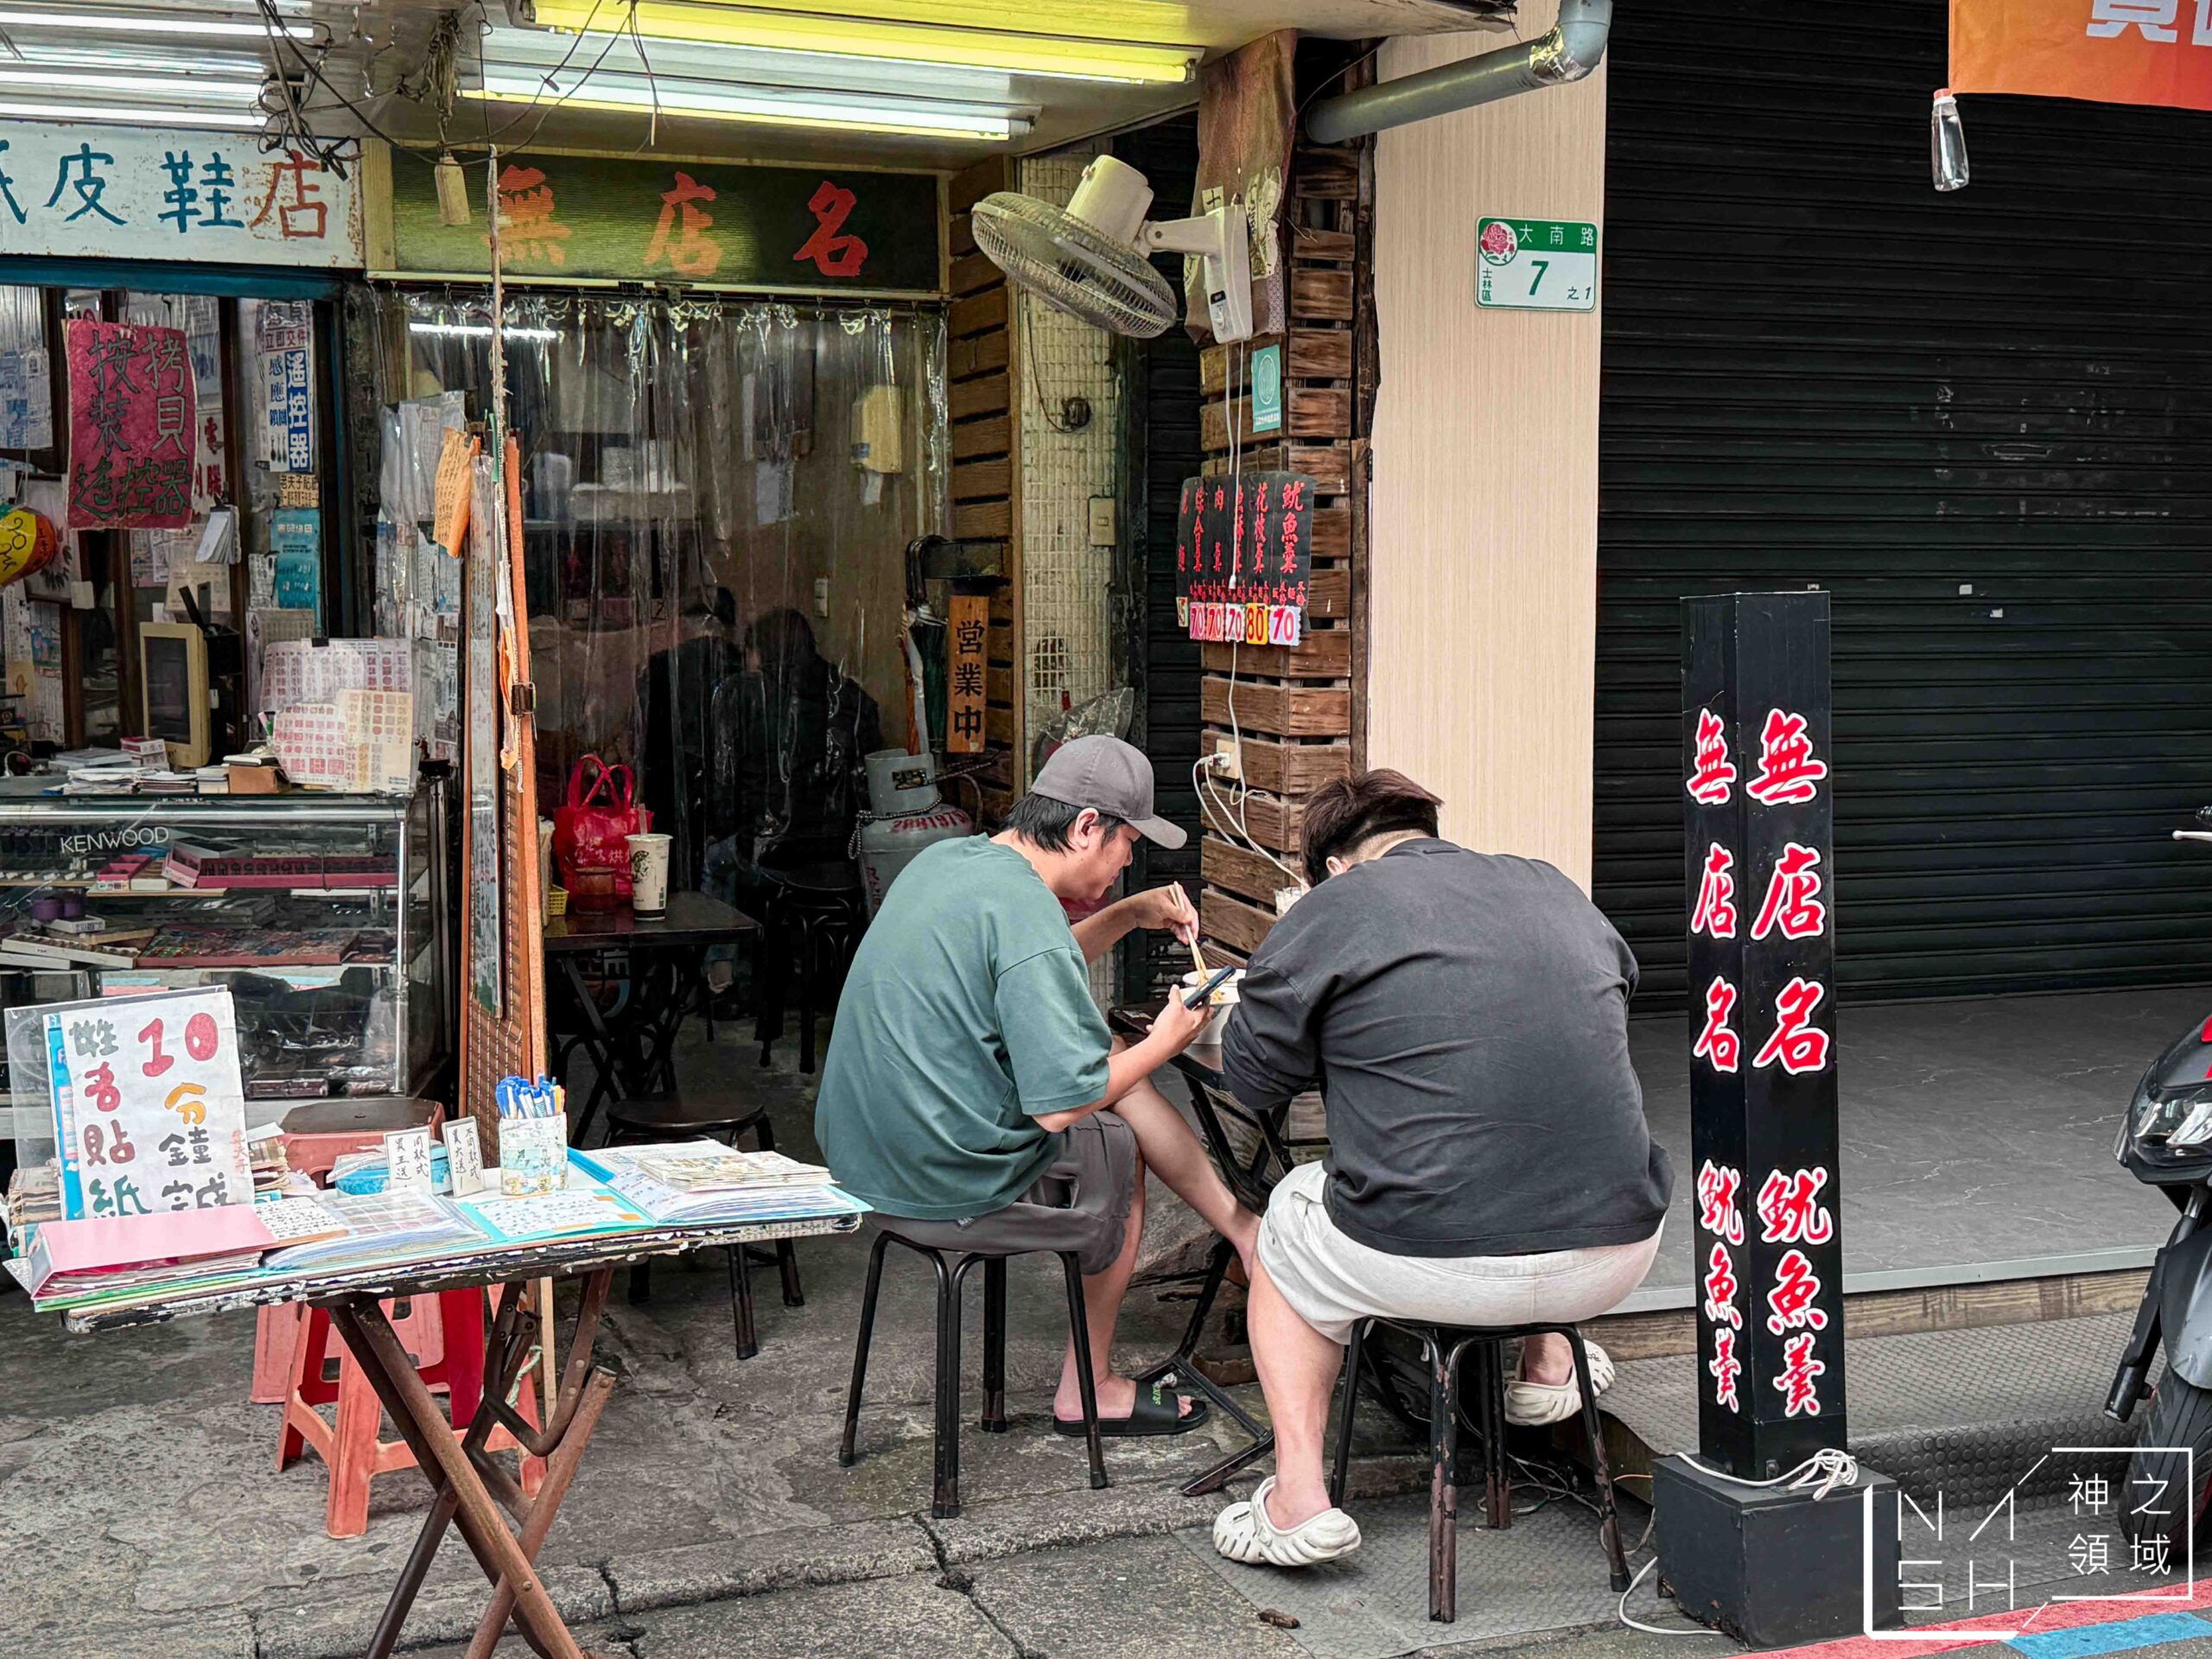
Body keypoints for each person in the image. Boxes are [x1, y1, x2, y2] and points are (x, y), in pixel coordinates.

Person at [1209, 768, 1673, 1568]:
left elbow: (1253, 1080)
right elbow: (1599, 1004)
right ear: (1426, 831)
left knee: (1284, 1219)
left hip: (1429, 1258)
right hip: (1619, 1253)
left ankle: (1297, 1500)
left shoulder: (1335, 907)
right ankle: (1549, 1360)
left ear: (1333, 865)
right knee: (1545, 1138)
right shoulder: (1551, 886)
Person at [816, 735, 1262, 1435]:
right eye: (1125, 844)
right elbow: (1060, 1105)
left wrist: (1126, 913)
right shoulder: (1024, 911)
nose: (1125, 862)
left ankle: (1240, 1231)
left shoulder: (953, 859)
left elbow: (1027, 964)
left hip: (864, 1154)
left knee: (1106, 1064)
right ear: (1087, 826)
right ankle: (1092, 1385)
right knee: (1114, 1141)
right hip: (939, 1178)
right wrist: (1168, 1040)